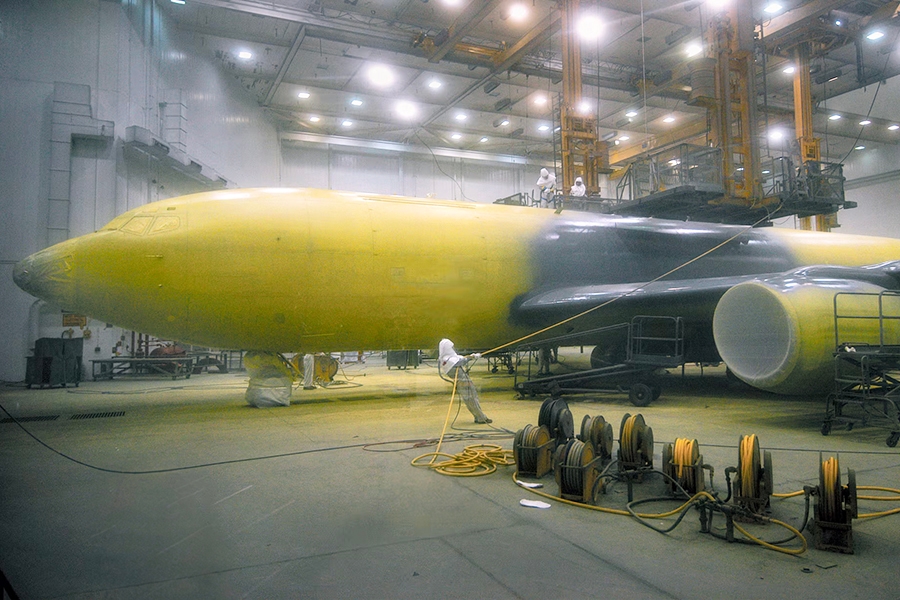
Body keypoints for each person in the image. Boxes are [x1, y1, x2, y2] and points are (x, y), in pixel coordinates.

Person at [438, 338, 491, 424]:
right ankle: (481, 418)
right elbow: (460, 361)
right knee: (471, 399)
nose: (453, 348)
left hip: (462, 380)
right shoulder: (448, 359)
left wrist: (471, 356)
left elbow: (459, 358)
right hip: (462, 381)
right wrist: (473, 357)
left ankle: (479, 416)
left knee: (471, 398)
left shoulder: (446, 358)